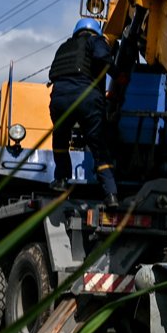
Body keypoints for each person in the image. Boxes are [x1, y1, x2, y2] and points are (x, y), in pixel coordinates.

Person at [48, 17, 119, 208]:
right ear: (96, 31)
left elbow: (52, 74)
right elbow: (102, 58)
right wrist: (118, 74)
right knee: (97, 145)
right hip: (86, 97)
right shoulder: (95, 41)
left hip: (60, 98)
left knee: (61, 137)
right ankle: (111, 194)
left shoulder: (64, 47)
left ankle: (62, 179)